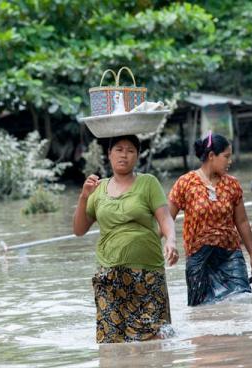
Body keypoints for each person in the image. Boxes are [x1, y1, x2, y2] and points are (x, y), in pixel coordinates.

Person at [72, 135, 179, 343]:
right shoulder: (97, 188)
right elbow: (79, 230)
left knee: (154, 339)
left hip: (147, 275)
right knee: (111, 343)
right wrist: (84, 196)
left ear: (137, 156)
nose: (124, 155)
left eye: (130, 150)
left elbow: (165, 217)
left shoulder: (148, 183)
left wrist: (171, 240)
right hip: (109, 276)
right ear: (109, 154)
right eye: (119, 149)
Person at [168, 132, 252, 306]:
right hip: (198, 259)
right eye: (226, 156)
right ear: (211, 156)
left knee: (243, 302)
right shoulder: (185, 183)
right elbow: (167, 219)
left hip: (230, 255)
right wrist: (168, 243)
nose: (230, 161)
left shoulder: (232, 185)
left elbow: (242, 222)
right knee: (202, 311)